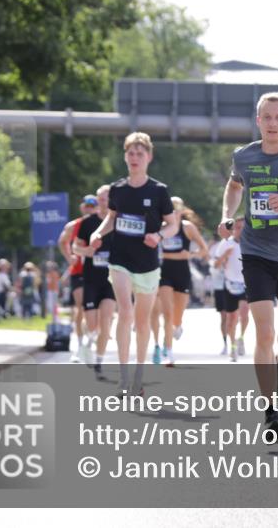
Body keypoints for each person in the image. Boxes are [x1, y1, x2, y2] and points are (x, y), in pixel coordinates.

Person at [218, 91, 278, 438]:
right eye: (267, 117)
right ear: (258, 120)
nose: (272, 123)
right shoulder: (243, 156)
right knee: (263, 332)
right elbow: (234, 186)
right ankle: (270, 412)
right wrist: (227, 214)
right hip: (256, 252)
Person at [89, 132, 178, 396]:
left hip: (148, 264)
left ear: (149, 157)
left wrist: (158, 236)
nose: (135, 158)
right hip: (120, 260)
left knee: (142, 321)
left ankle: (139, 375)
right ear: (125, 157)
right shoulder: (117, 189)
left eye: (140, 153)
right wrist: (98, 233)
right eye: (131, 153)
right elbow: (112, 218)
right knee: (125, 312)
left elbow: (173, 225)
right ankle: (123, 377)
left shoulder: (159, 191)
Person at [153, 196, 209, 366]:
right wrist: (173, 255)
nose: (172, 213)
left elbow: (204, 250)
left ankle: (176, 328)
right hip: (164, 273)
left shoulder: (187, 227)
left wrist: (190, 255)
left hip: (182, 273)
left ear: (181, 212)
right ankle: (169, 352)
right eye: (169, 210)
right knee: (167, 313)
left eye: (175, 210)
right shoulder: (160, 228)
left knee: (177, 318)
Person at [72, 184, 118, 379]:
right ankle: (87, 341)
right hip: (90, 279)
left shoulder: (118, 222)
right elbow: (75, 247)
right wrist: (86, 251)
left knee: (106, 322)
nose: (103, 202)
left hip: (111, 280)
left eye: (106, 199)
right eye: (100, 199)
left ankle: (99, 362)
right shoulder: (88, 223)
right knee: (92, 326)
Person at [59, 195, 97, 361]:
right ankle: (80, 346)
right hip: (79, 271)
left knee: (97, 309)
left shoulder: (103, 224)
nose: (89, 208)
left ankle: (90, 342)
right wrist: (69, 258)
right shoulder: (74, 225)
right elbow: (63, 241)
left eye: (92, 206)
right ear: (82, 207)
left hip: (98, 272)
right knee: (81, 306)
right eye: (87, 205)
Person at [214, 218, 247, 362]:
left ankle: (241, 338)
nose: (240, 230)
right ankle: (233, 346)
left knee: (244, 314)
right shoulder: (226, 243)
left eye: (243, 227)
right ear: (233, 229)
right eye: (237, 227)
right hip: (230, 284)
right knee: (231, 318)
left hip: (247, 284)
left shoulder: (251, 243)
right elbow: (216, 265)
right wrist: (225, 256)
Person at [209, 230, 231, 354]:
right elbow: (213, 266)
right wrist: (223, 258)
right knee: (224, 316)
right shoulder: (214, 248)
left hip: (236, 285)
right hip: (220, 286)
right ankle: (226, 344)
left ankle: (236, 340)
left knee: (235, 316)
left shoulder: (238, 244)